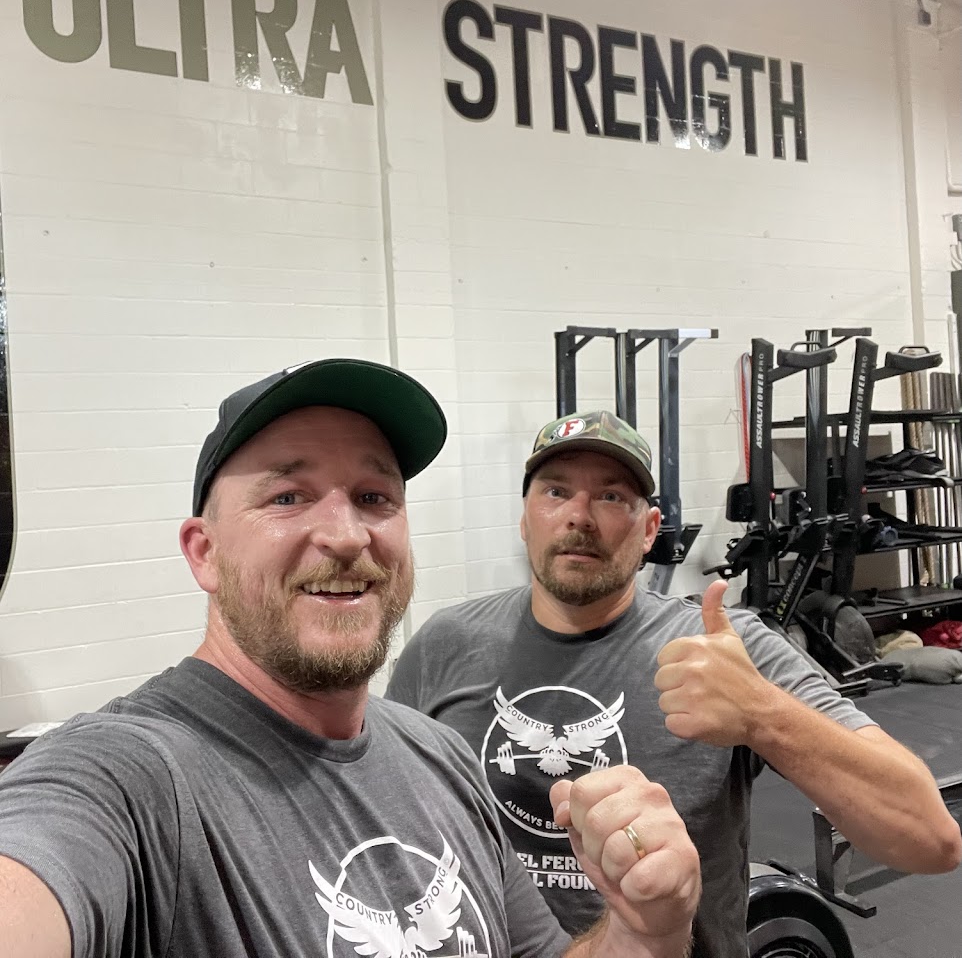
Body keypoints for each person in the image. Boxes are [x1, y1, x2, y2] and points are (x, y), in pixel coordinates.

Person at [0, 362, 701, 958]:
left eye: (373, 498)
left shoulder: (440, 757)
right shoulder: (126, 776)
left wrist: (642, 932)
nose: (345, 535)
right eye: (287, 496)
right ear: (204, 553)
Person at [387, 409, 962, 958]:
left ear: (649, 530)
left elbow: (930, 839)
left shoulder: (721, 649)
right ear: (525, 519)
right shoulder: (445, 646)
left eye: (611, 496)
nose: (579, 516)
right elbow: (389, 826)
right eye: (556, 492)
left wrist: (762, 714)